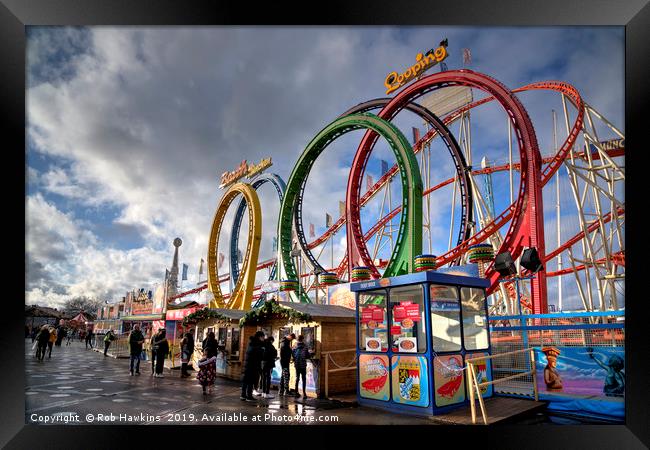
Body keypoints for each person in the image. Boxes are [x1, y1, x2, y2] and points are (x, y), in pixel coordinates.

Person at [241, 331, 265, 401]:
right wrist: (262, 350)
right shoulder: (257, 345)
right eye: (263, 337)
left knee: (246, 381)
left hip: (248, 364)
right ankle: (249, 396)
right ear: (260, 337)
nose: (264, 338)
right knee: (250, 381)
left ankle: (243, 396)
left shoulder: (251, 343)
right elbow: (260, 356)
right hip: (253, 365)